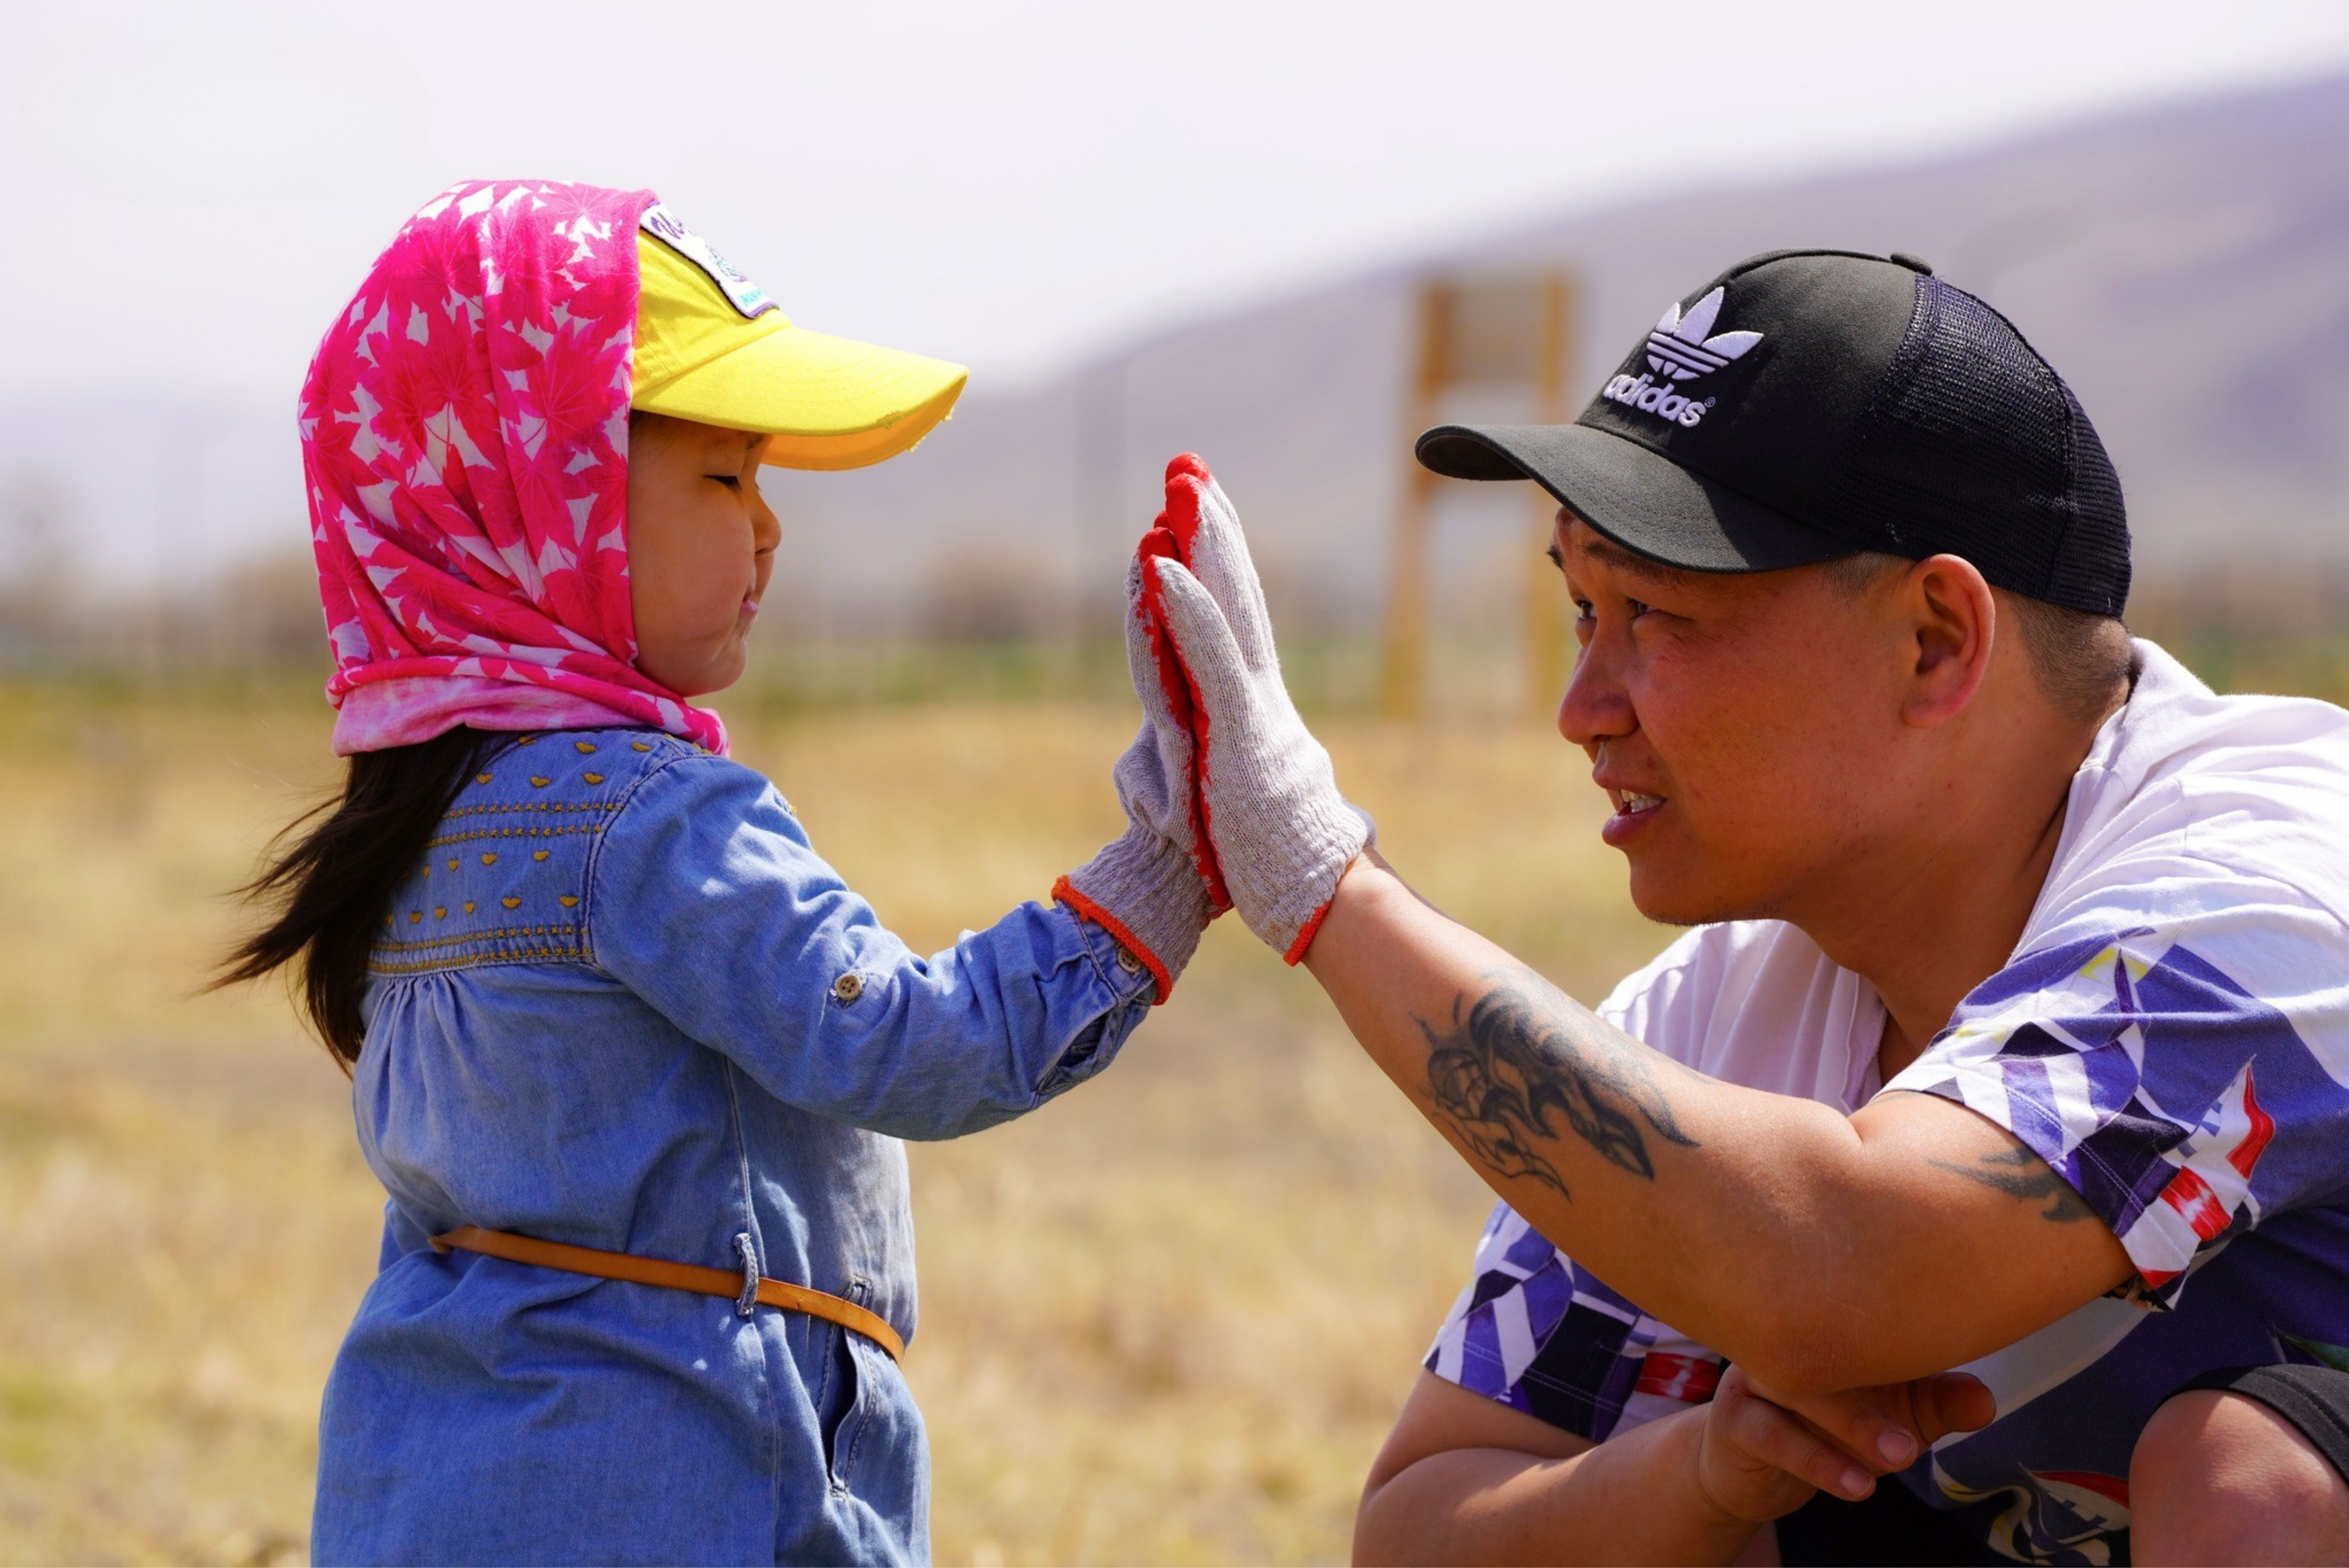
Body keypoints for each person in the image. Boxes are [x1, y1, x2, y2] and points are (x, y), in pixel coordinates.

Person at [1124, 249, 2349, 1565]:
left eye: (1656, 613)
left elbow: (1847, 1264)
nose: (1582, 710)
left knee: (2250, 1474)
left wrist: (1323, 880)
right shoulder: (1710, 1019)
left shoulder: (2264, 875)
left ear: (1936, 640)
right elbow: (1420, 1530)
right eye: (1582, 608)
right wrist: (1703, 1476)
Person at [220, 180, 1223, 1565]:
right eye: (724, 474)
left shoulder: (424, 822)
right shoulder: (645, 816)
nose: (770, 526)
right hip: (681, 1485)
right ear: (544, 496)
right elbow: (907, 1041)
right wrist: (1171, 864)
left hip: (426, 1490)